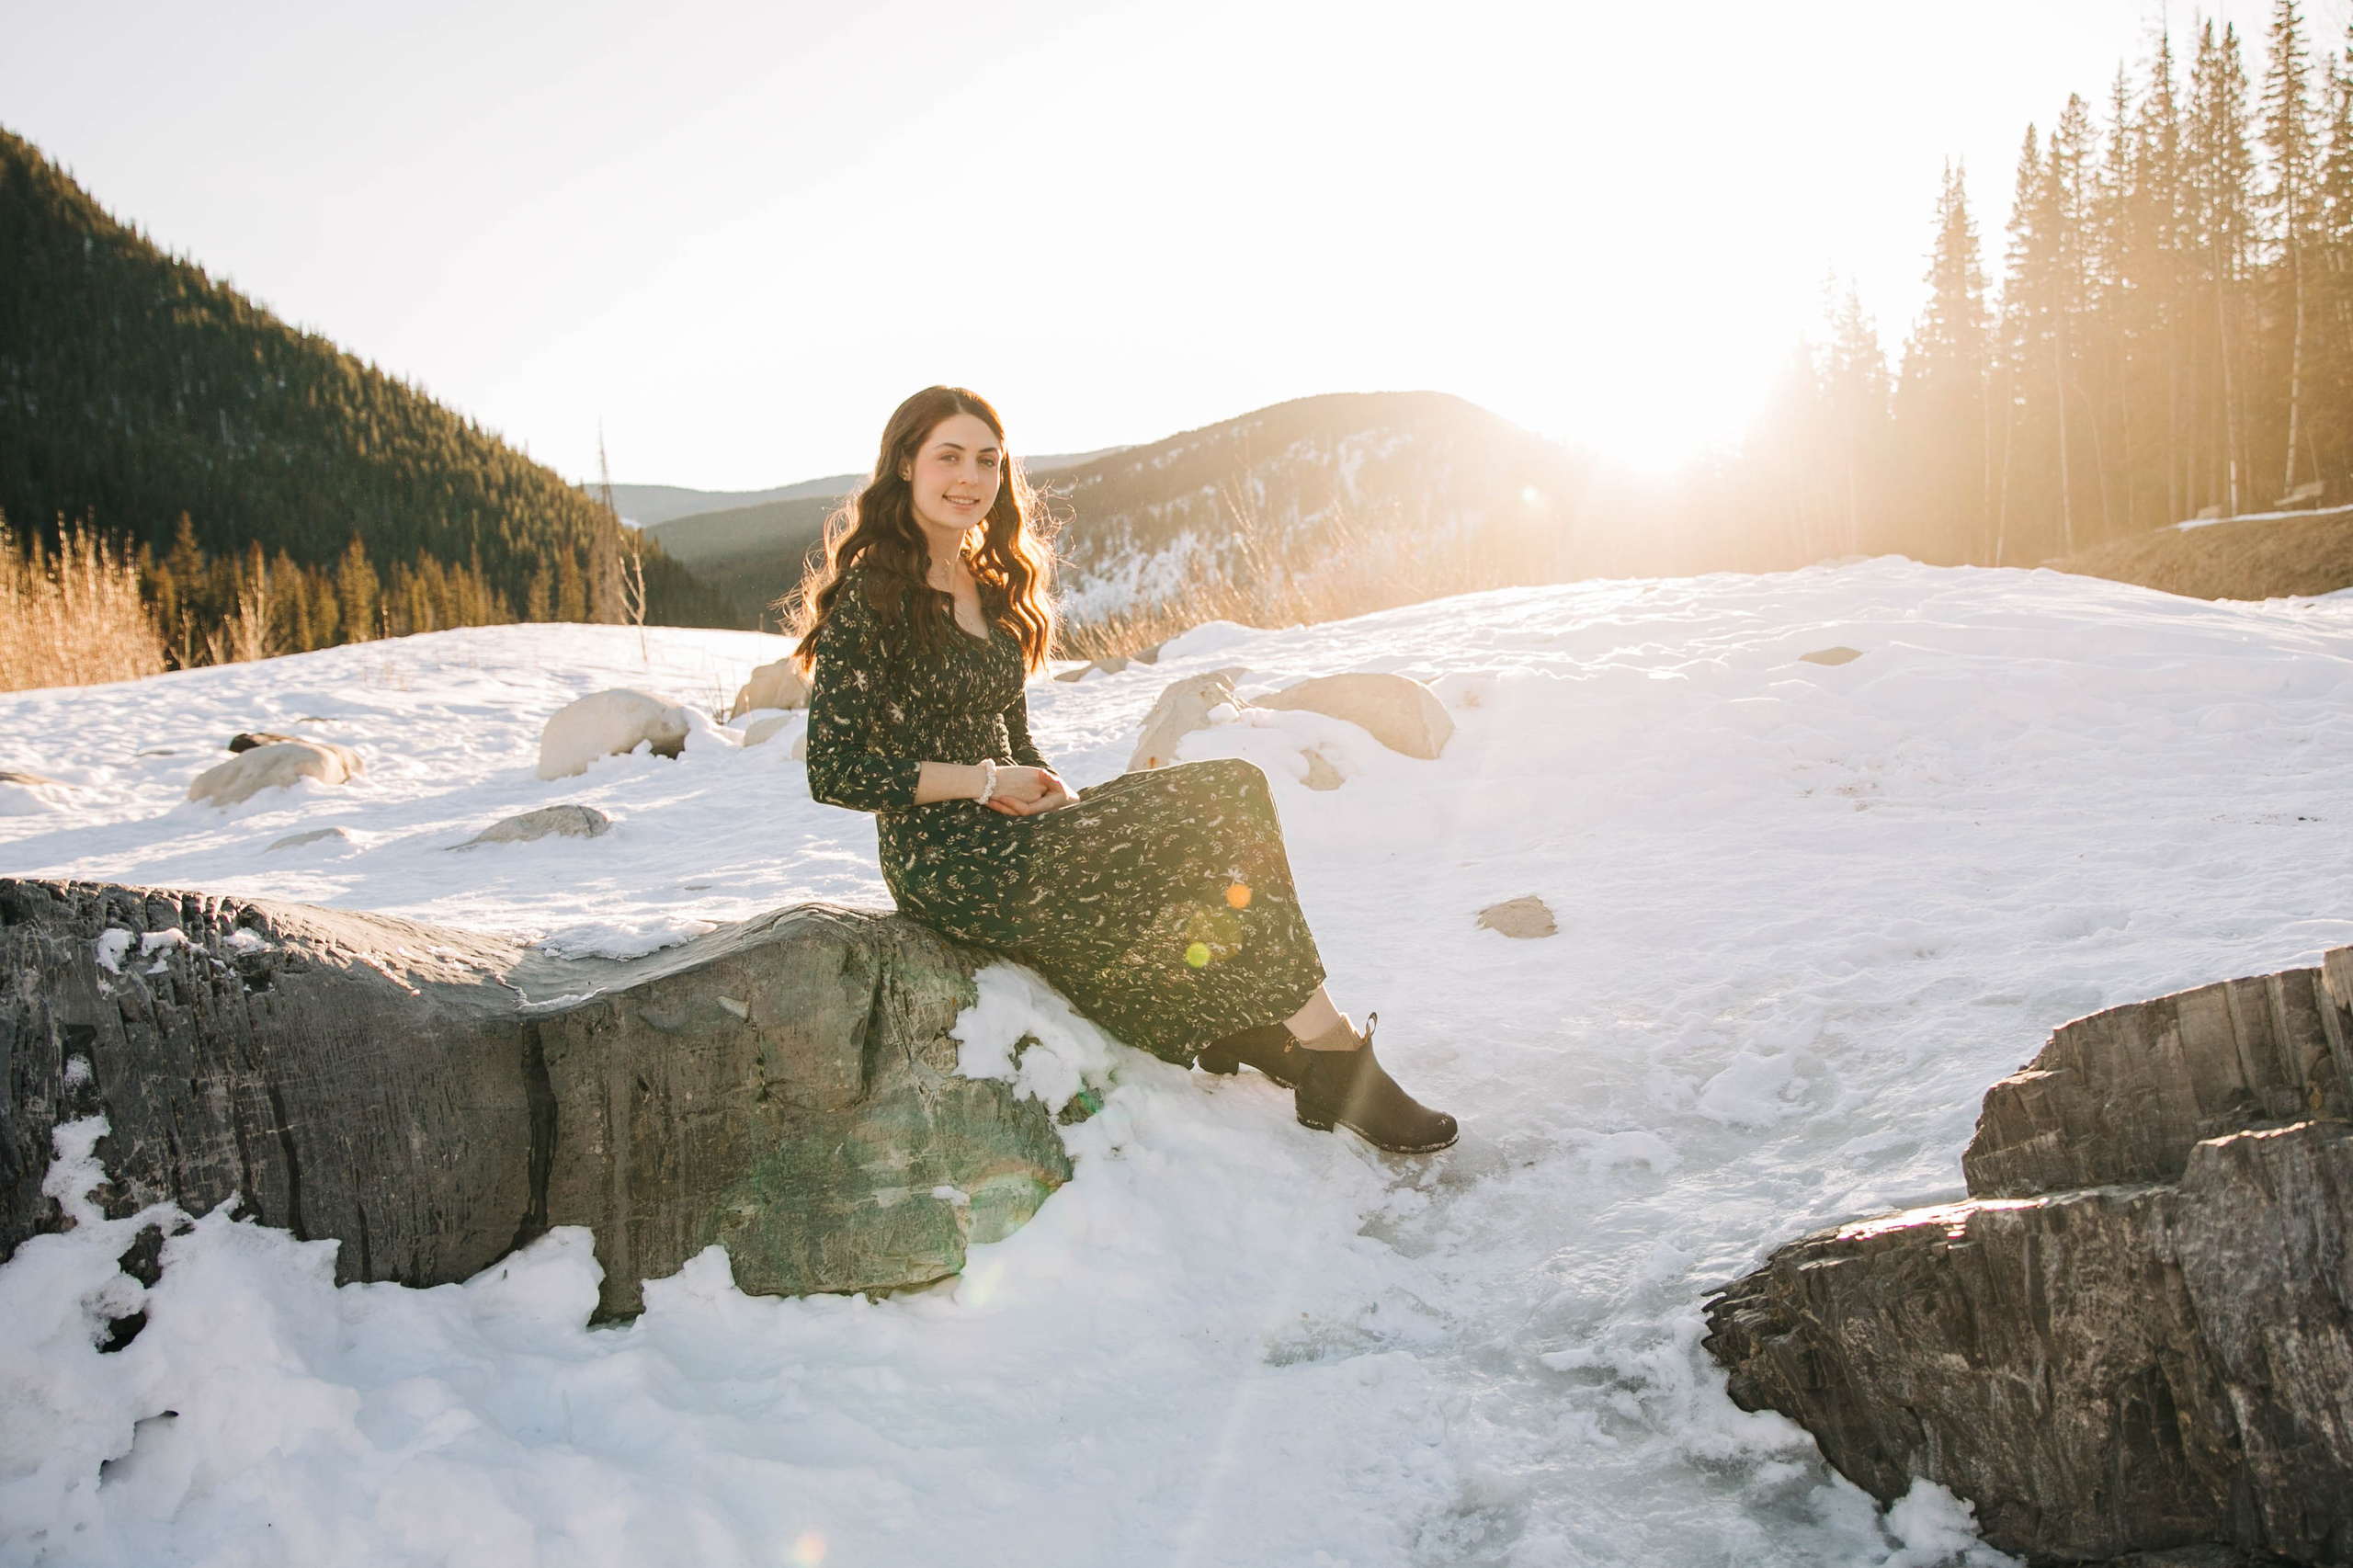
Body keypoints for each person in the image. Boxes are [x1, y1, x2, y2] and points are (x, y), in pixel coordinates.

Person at [790, 385, 1456, 1154]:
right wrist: (985, 781)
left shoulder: (989, 585)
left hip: (1014, 824)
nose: (970, 477)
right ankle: (1334, 1056)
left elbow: (1012, 737)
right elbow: (835, 771)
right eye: (950, 457)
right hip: (946, 859)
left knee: (1227, 795)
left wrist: (1050, 792)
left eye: (988, 460)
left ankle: (1243, 1022)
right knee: (1217, 797)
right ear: (906, 464)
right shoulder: (873, 597)